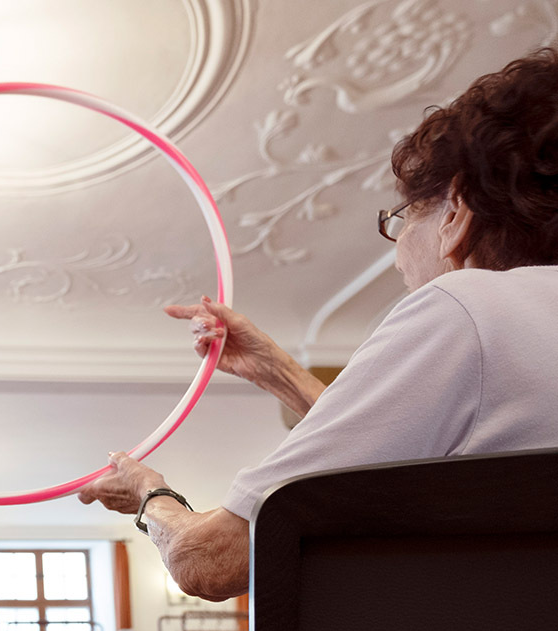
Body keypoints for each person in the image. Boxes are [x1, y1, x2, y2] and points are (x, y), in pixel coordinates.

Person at [78, 48, 558, 601]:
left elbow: (206, 560)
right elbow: (402, 448)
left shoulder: (466, 306)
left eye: (401, 219)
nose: (399, 248)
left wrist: (149, 494)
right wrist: (279, 372)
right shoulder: (513, 335)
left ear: (455, 214)